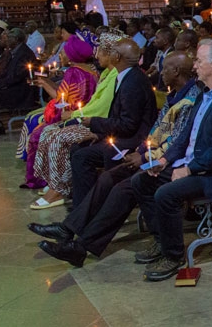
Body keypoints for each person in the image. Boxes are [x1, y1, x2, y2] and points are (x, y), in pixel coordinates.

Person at [29, 51, 201, 267]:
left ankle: (80, 247)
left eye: (165, 67)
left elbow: (178, 141)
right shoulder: (175, 94)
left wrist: (145, 156)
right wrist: (141, 150)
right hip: (151, 154)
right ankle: (68, 230)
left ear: (175, 71)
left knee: (124, 187)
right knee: (108, 177)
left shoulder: (190, 99)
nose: (160, 71)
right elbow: (157, 130)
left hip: (170, 162)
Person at [132, 38, 212, 281]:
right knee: (140, 181)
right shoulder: (204, 94)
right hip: (196, 165)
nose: (194, 65)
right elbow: (185, 135)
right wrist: (165, 160)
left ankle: (173, 255)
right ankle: (161, 239)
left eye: (199, 61)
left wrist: (188, 170)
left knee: (166, 194)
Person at [31, 31, 123, 208]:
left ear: (112, 55)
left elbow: (100, 108)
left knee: (59, 137)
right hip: (88, 118)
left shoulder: (114, 76)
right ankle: (56, 183)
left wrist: (73, 115)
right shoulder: (106, 73)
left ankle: (58, 190)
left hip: (99, 124)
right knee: (49, 132)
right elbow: (93, 103)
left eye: (100, 52)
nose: (95, 55)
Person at [68, 38, 158, 212]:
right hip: (123, 135)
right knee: (78, 150)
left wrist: (94, 122)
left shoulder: (133, 81)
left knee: (85, 156)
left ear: (116, 56)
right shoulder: (126, 76)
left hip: (133, 140)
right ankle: (85, 206)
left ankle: (89, 209)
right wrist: (98, 133)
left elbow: (128, 124)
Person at [18, 37, 98, 189]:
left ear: (72, 56)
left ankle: (40, 180)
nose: (60, 56)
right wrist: (46, 82)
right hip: (81, 112)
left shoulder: (74, 72)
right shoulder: (91, 70)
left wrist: (43, 84)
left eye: (63, 53)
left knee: (37, 134)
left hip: (72, 115)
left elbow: (63, 99)